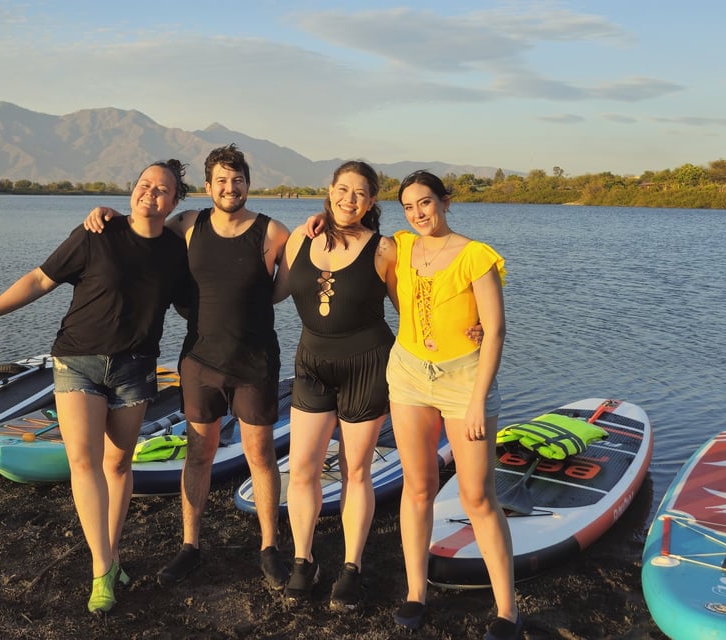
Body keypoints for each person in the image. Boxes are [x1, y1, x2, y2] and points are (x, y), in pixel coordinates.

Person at [0, 160, 191, 615]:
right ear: (131, 190)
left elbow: (201, 300)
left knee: (117, 465)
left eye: (162, 189)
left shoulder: (176, 253)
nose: (150, 193)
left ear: (174, 201)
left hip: (136, 367)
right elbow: (40, 279)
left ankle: (111, 556)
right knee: (83, 461)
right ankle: (101, 569)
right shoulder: (97, 233)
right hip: (77, 360)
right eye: (143, 185)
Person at [83, 144, 293, 591]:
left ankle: (270, 548)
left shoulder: (274, 232)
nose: (229, 187)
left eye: (237, 180)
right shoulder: (188, 225)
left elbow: (287, 288)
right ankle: (190, 545)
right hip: (200, 361)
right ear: (207, 186)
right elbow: (144, 228)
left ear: (248, 184)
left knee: (260, 453)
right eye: (221, 180)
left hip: (254, 360)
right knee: (199, 452)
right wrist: (107, 215)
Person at [387, 170, 518, 640]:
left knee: (477, 495)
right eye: (408, 206)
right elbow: (349, 236)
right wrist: (315, 224)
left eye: (426, 202)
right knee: (418, 486)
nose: (418, 213)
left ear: (445, 201)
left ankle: (507, 611)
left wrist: (480, 399)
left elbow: (496, 329)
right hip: (407, 374)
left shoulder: (475, 256)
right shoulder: (399, 247)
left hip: (465, 380)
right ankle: (416, 593)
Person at [280, 161, 395, 611]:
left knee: (355, 470)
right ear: (329, 191)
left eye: (360, 193)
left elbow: (413, 310)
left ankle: (351, 565)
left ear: (371, 202)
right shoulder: (299, 237)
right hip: (311, 363)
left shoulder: (383, 249)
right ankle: (303, 559)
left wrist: (470, 331)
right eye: (343, 190)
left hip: (367, 365)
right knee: (304, 467)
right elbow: (263, 288)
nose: (350, 199)